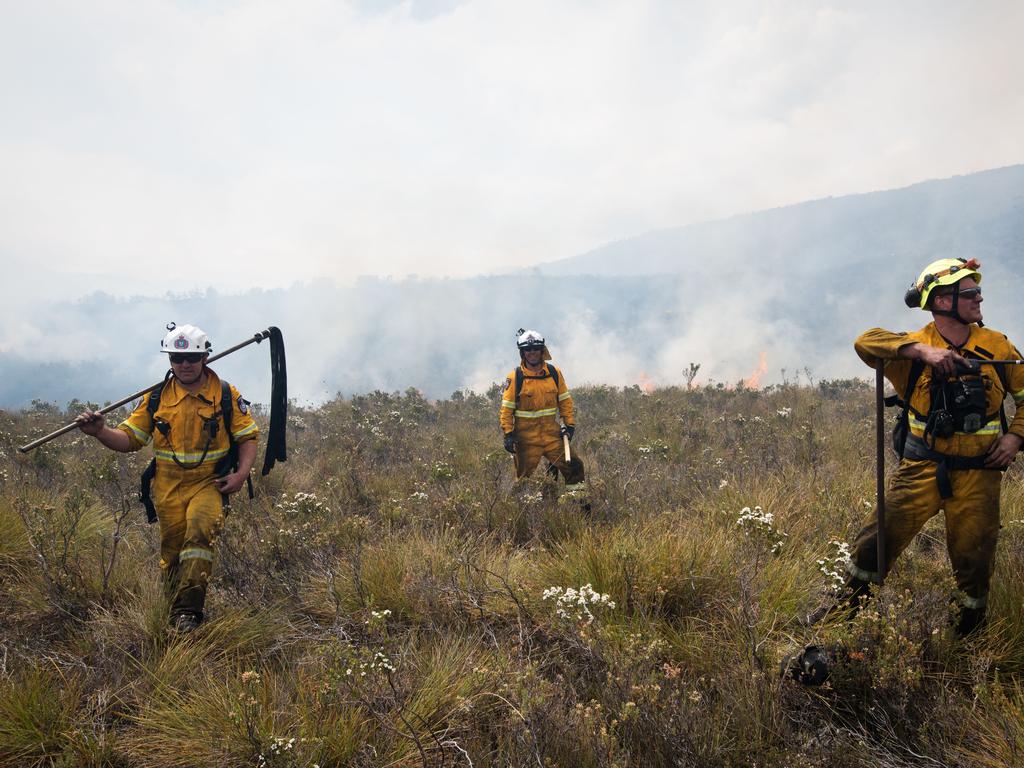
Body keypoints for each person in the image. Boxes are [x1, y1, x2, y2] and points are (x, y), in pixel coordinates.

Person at [840, 258, 1024, 635]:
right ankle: (841, 621)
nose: (979, 297)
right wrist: (922, 353)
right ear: (942, 301)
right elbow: (865, 341)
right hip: (921, 470)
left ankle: (968, 638)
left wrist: (1014, 437)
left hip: (980, 474)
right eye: (970, 292)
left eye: (977, 291)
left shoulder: (998, 345)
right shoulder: (915, 347)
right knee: (875, 542)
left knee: (975, 558)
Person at [76, 323, 259, 633]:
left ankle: (190, 613)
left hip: (209, 484)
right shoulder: (156, 397)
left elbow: (247, 437)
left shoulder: (225, 394)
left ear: (204, 357)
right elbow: (130, 439)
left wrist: (241, 474)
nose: (184, 365)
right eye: (177, 358)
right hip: (168, 488)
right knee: (172, 553)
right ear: (170, 360)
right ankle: (173, 609)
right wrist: (100, 432)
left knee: (200, 536)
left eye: (191, 358)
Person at [499, 329, 585, 492]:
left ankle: (579, 506)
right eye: (527, 349)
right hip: (526, 439)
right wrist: (508, 434)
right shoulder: (515, 377)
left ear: (542, 350)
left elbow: (565, 400)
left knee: (574, 466)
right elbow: (506, 409)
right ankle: (522, 512)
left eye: (536, 348)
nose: (532, 352)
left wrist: (570, 425)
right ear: (522, 352)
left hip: (551, 435)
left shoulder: (554, 373)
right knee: (524, 481)